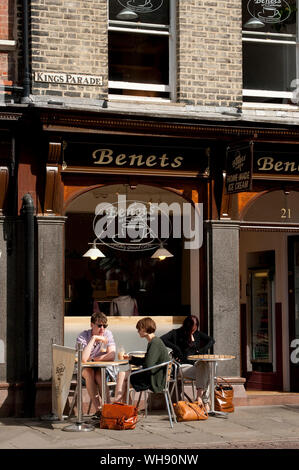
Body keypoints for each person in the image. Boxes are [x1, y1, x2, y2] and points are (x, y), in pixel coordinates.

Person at [160, 315, 215, 408]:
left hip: (195, 367)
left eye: (195, 327)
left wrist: (202, 350)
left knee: (205, 366)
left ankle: (199, 398)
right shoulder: (176, 333)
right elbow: (161, 339)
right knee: (207, 373)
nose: (194, 331)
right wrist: (176, 348)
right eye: (192, 329)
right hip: (182, 366)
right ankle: (204, 402)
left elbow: (211, 340)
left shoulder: (197, 334)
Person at [113, 317, 169, 402]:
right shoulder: (154, 341)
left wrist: (136, 368)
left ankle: (117, 403)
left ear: (144, 328)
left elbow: (148, 364)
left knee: (122, 377)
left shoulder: (155, 343)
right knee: (122, 376)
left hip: (154, 379)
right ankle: (123, 406)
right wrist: (131, 358)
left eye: (139, 329)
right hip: (154, 375)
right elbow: (148, 361)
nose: (138, 331)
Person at [76, 312, 116, 416]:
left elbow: (111, 355)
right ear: (92, 325)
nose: (102, 328)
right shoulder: (83, 336)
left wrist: (93, 359)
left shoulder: (108, 334)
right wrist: (94, 338)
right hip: (83, 369)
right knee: (90, 373)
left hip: (99, 367)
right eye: (99, 325)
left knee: (99, 375)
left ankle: (108, 408)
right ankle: (98, 409)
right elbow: (84, 359)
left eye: (105, 325)